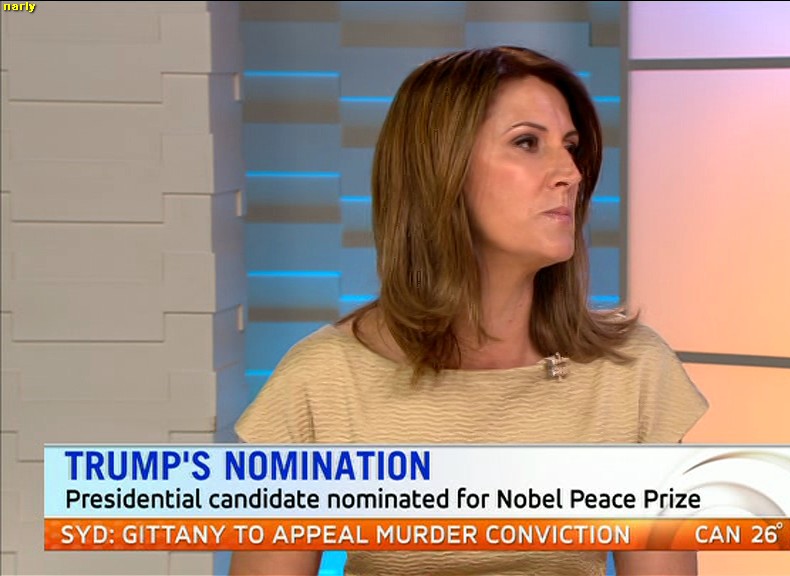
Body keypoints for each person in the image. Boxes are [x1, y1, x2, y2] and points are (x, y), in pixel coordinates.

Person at [230, 45, 709, 576]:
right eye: (527, 142)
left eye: (571, 147)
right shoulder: (323, 380)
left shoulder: (633, 372)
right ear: (442, 170)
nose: (571, 173)